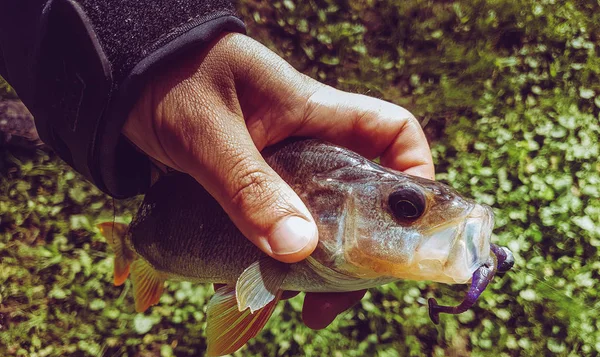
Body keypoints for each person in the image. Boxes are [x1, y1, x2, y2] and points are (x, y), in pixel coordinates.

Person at [0, 1, 434, 329]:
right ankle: (127, 247)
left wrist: (135, 64)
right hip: (156, 232)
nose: (409, 220)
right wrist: (157, 59)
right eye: (406, 209)